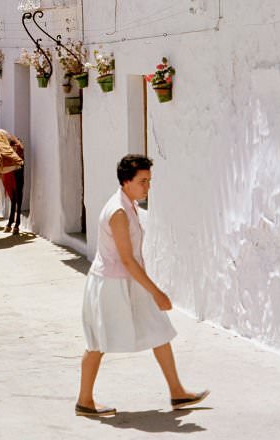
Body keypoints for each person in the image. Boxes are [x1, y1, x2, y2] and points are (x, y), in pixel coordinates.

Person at [76, 155, 208, 418]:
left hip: (128, 281)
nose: (147, 187)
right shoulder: (118, 212)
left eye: (149, 181)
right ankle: (84, 401)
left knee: (159, 330)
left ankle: (177, 392)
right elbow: (126, 259)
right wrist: (156, 291)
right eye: (142, 182)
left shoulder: (129, 204)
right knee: (97, 342)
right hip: (111, 285)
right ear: (126, 182)